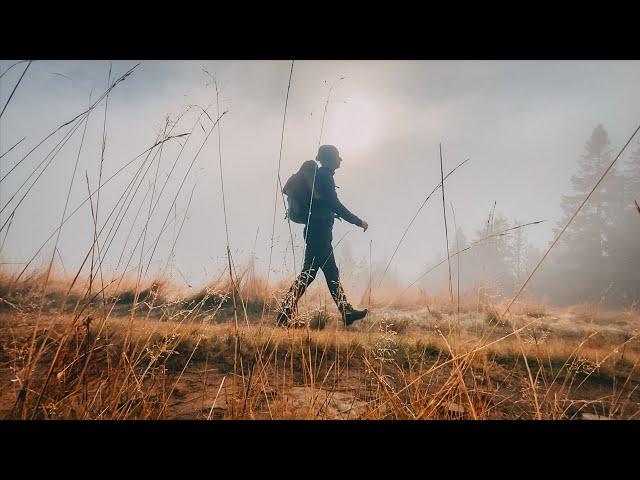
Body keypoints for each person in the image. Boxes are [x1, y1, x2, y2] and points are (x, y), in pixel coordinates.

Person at [277, 145, 369, 327]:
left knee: (319, 273)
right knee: (314, 274)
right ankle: (284, 313)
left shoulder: (320, 176)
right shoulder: (325, 176)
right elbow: (334, 204)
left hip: (316, 230)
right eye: (337, 156)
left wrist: (328, 215)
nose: (340, 160)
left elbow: (323, 204)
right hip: (319, 232)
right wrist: (357, 221)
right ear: (329, 159)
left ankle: (345, 312)